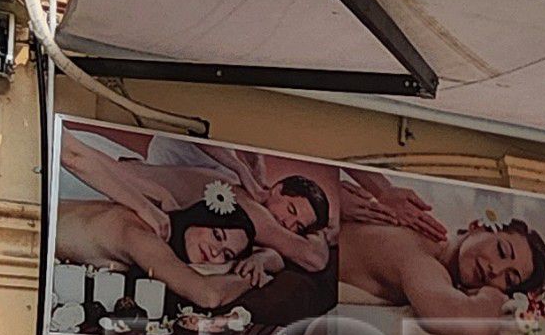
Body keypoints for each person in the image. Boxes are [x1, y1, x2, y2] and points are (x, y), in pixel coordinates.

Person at [336, 170, 545, 335]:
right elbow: (475, 329)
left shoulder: (426, 245)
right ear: (478, 226)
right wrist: (493, 296)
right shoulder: (424, 261)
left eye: (509, 279)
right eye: (501, 250)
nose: (495, 270)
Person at [61, 134, 335, 275]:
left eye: (297, 226)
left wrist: (263, 258)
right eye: (291, 211)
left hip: (105, 176)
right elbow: (313, 258)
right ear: (277, 190)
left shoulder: (239, 209)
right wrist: (321, 236)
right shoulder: (250, 206)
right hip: (91, 179)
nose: (288, 225)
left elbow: (272, 255)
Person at [56, 193, 280, 313]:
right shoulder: (143, 237)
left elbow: (275, 257)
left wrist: (258, 259)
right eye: (217, 235)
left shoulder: (164, 224)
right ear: (199, 219)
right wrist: (249, 278)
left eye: (227, 254)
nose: (214, 253)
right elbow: (208, 296)